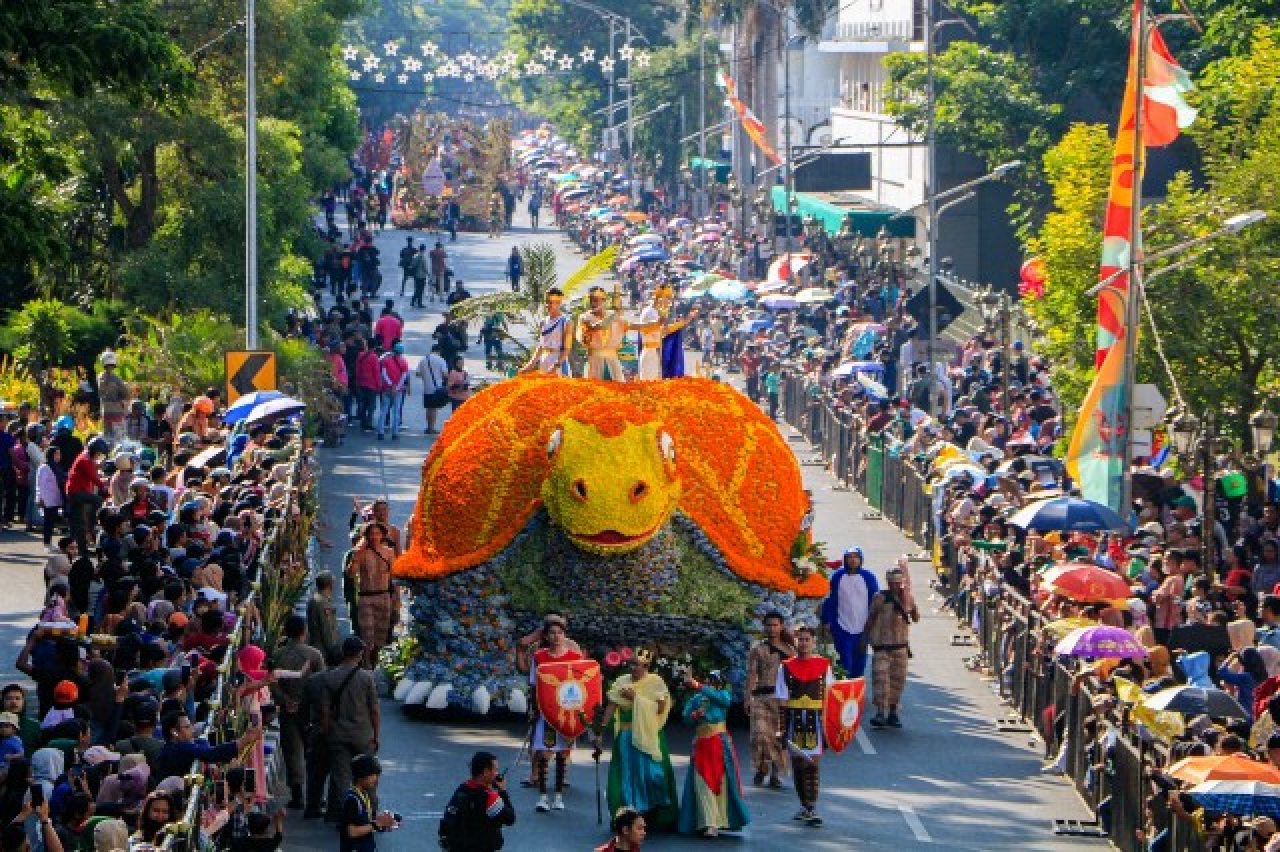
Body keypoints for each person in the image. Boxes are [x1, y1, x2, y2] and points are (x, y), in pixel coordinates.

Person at [595, 647, 678, 830]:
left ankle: (651, 814)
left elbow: (661, 707)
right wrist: (600, 731)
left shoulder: (655, 682)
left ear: (646, 666)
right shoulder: (621, 681)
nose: (634, 668)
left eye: (638, 665)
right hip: (626, 737)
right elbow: (611, 706)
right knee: (628, 776)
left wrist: (636, 698)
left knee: (652, 775)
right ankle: (630, 816)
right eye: (632, 664)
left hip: (649, 735)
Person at [516, 617, 582, 813]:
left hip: (566, 713)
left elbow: (580, 686)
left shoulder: (574, 657)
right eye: (552, 633)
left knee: (562, 753)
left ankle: (559, 796)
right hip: (546, 713)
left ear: (565, 635)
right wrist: (535, 710)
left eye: (560, 632)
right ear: (546, 635)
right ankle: (543, 796)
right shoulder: (539, 657)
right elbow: (535, 685)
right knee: (544, 752)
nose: (556, 636)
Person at [676, 670, 750, 837]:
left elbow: (723, 700)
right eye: (709, 680)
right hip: (702, 745)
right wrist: (695, 715)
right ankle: (708, 822)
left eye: (714, 681)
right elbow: (686, 718)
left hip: (719, 744)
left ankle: (719, 821)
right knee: (702, 782)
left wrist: (698, 686)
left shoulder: (723, 696)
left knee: (720, 782)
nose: (711, 684)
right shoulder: (697, 700)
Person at [775, 623, 834, 827]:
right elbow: (782, 699)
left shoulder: (824, 666)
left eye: (807, 639)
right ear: (795, 641)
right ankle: (804, 805)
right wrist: (781, 728)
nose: (804, 643)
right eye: (800, 639)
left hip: (816, 721)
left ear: (813, 642)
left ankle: (811, 807)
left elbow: (832, 696)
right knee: (799, 764)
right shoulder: (786, 667)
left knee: (812, 764)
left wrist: (831, 727)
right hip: (795, 721)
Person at [320, 637, 380, 822]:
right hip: (363, 735)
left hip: (339, 734)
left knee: (340, 776)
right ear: (360, 654)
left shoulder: (329, 677)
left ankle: (340, 814)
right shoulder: (366, 678)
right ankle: (369, 813)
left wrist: (326, 731)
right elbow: (375, 711)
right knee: (368, 775)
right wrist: (376, 736)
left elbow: (325, 711)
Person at [271, 614, 325, 809]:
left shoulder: (278, 655)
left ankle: (297, 795)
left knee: (292, 751)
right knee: (313, 752)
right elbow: (321, 683)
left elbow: (272, 683)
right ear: (304, 631)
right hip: (309, 709)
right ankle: (314, 796)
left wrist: (285, 700)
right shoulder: (314, 654)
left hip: (288, 709)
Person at [864, 565, 920, 729]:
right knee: (880, 679)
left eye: (897, 582)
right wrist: (864, 639)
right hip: (882, 646)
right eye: (891, 583)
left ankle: (893, 712)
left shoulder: (906, 599)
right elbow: (871, 618)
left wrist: (910, 604)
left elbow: (915, 618)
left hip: (900, 647)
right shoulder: (880, 597)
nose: (894, 586)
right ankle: (880, 712)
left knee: (897, 681)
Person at [745, 611, 794, 787]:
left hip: (781, 699)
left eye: (775, 625)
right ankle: (761, 768)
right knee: (759, 735)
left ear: (781, 626)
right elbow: (751, 674)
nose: (772, 629)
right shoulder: (758, 650)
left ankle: (775, 774)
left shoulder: (790, 651)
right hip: (760, 697)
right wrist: (748, 697)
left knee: (777, 737)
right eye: (769, 625)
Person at [438, 751, 515, 852]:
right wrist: (503, 792)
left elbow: (447, 820)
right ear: (486, 771)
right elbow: (510, 818)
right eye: (495, 770)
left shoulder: (462, 788)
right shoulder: (489, 797)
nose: (497, 774)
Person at [820, 546, 879, 677]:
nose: (853, 560)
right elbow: (830, 600)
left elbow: (876, 601)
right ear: (845, 559)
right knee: (844, 660)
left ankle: (856, 691)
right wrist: (827, 620)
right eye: (849, 557)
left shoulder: (869, 578)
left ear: (861, 560)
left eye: (856, 557)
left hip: (863, 628)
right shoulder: (837, 577)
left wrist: (875, 623)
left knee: (859, 660)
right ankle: (843, 690)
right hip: (842, 626)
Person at [348, 524, 396, 667]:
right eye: (371, 534)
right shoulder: (361, 553)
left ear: (382, 535)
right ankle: (367, 666)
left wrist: (396, 599)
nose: (374, 536)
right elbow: (351, 574)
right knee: (367, 636)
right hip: (366, 597)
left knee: (381, 636)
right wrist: (356, 554)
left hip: (384, 596)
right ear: (367, 536)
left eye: (377, 533)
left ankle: (378, 666)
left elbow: (394, 576)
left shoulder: (389, 552)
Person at [339, 754, 397, 852]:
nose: (376, 780)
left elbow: (364, 823)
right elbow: (351, 832)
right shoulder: (352, 800)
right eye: (372, 775)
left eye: (376, 775)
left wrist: (382, 825)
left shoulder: (364, 795)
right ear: (361, 776)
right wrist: (376, 824)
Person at [578, 287, 630, 381]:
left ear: (604, 301)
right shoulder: (585, 317)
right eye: (591, 300)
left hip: (612, 360)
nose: (593, 304)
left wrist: (656, 322)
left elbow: (631, 325)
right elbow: (596, 327)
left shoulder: (613, 315)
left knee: (618, 390)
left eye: (596, 301)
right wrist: (614, 314)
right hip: (595, 360)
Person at [521, 289, 572, 376]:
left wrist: (556, 365)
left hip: (558, 362)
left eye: (551, 302)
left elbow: (567, 349)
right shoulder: (543, 322)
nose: (548, 305)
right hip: (544, 361)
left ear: (559, 303)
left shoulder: (566, 322)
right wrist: (530, 365)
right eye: (547, 302)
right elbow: (541, 345)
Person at [375, 343, 409, 442]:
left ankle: (380, 432)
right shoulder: (404, 362)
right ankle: (395, 433)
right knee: (396, 412)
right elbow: (404, 377)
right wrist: (397, 387)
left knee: (384, 410)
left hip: (386, 388)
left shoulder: (386, 361)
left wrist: (390, 385)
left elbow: (384, 374)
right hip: (398, 390)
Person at [307, 572, 342, 664]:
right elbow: (327, 630)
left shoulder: (314, 600)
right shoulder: (323, 603)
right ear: (329, 585)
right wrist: (334, 651)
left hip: (315, 648)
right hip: (323, 652)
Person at [416, 344, 450, 434]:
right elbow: (445, 374)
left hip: (426, 387)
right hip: (436, 388)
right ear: (439, 351)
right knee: (434, 408)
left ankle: (428, 427)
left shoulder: (423, 360)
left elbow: (418, 374)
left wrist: (426, 375)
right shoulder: (441, 360)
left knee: (428, 408)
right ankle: (432, 428)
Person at [97, 351, 129, 441]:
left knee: (107, 437)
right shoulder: (116, 379)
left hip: (105, 411)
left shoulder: (99, 377)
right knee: (118, 438)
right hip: (116, 411)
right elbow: (125, 393)